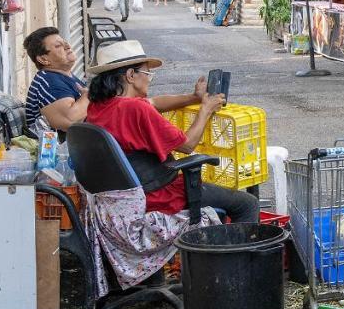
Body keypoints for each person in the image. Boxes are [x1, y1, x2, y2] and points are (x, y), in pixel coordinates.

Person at [85, 40, 258, 224]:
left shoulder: (98, 106)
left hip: (122, 194)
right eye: (147, 73)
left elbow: (155, 102)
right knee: (248, 204)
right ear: (130, 75)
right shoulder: (136, 109)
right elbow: (188, 145)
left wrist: (194, 98)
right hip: (159, 194)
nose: (149, 79)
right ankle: (239, 252)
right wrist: (206, 110)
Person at [23, 27, 87, 134]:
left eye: (65, 43)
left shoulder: (62, 75)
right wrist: (89, 96)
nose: (67, 46)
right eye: (58, 46)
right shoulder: (48, 82)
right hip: (63, 149)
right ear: (43, 59)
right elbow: (70, 121)